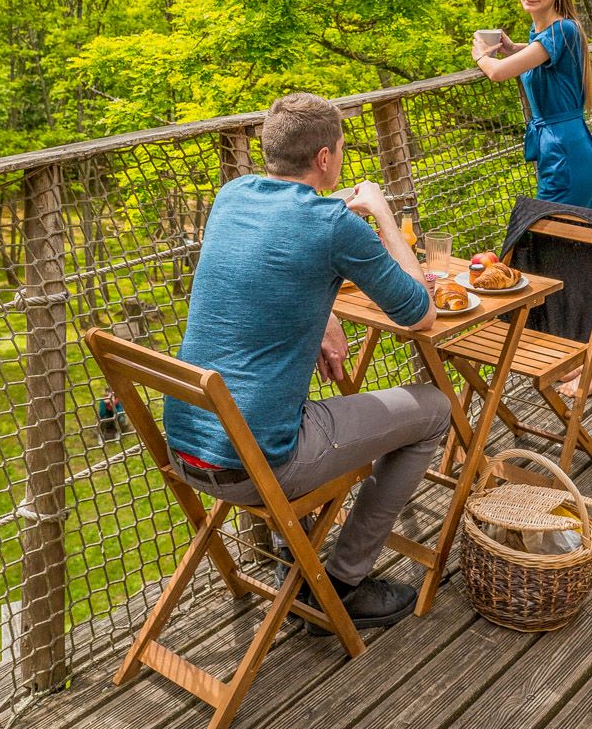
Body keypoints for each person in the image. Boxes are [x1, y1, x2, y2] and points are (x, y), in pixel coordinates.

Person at [162, 91, 448, 628]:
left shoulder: (232, 195)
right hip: (257, 466)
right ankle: (341, 581)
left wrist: (323, 315)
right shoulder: (335, 227)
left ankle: (293, 553)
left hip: (185, 448)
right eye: (339, 149)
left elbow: (268, 264)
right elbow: (420, 313)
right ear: (325, 158)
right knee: (434, 409)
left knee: (289, 398)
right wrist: (383, 216)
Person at [472, 0, 592, 397]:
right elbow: (533, 63)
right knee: (568, 251)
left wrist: (482, 54)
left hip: (565, 156)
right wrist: (516, 48)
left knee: (572, 253)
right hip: (562, 149)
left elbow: (496, 73)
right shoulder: (551, 36)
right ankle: (585, 355)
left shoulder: (564, 30)